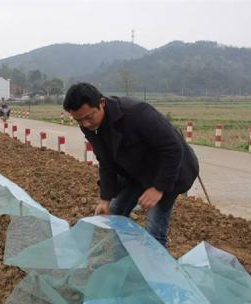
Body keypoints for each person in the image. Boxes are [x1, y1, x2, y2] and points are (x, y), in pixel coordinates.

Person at [63, 82, 199, 247]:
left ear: (102, 103)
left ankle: (155, 267)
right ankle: (122, 254)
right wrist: (105, 199)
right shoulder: (90, 126)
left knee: (155, 227)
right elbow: (105, 162)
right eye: (79, 121)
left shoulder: (137, 113)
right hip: (136, 172)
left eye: (89, 117)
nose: (85, 124)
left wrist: (158, 188)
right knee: (113, 211)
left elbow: (173, 148)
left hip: (170, 170)